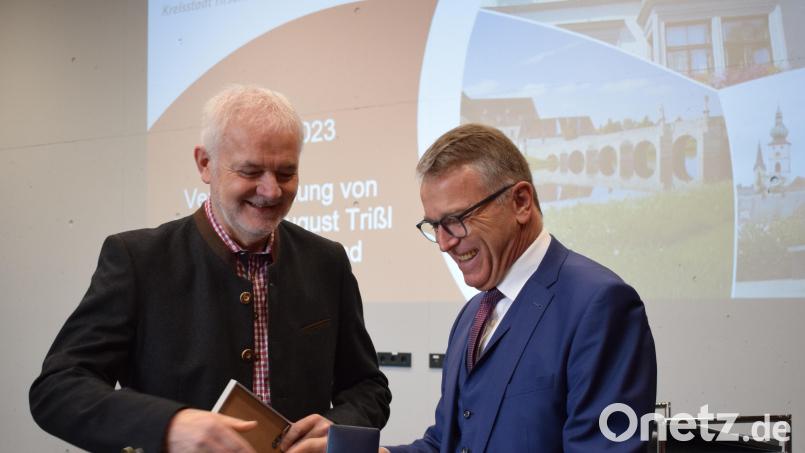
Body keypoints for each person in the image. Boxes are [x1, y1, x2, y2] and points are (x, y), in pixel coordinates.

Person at [29, 85, 391, 453]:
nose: (271, 191)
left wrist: (338, 427)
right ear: (205, 164)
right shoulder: (138, 259)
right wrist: (169, 425)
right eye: (250, 171)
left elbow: (367, 387)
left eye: (286, 173)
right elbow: (58, 388)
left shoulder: (326, 261)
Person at [383, 123, 657, 452]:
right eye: (435, 225)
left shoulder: (601, 305)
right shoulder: (471, 316)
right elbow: (446, 443)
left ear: (521, 202)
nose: (443, 243)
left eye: (456, 220)